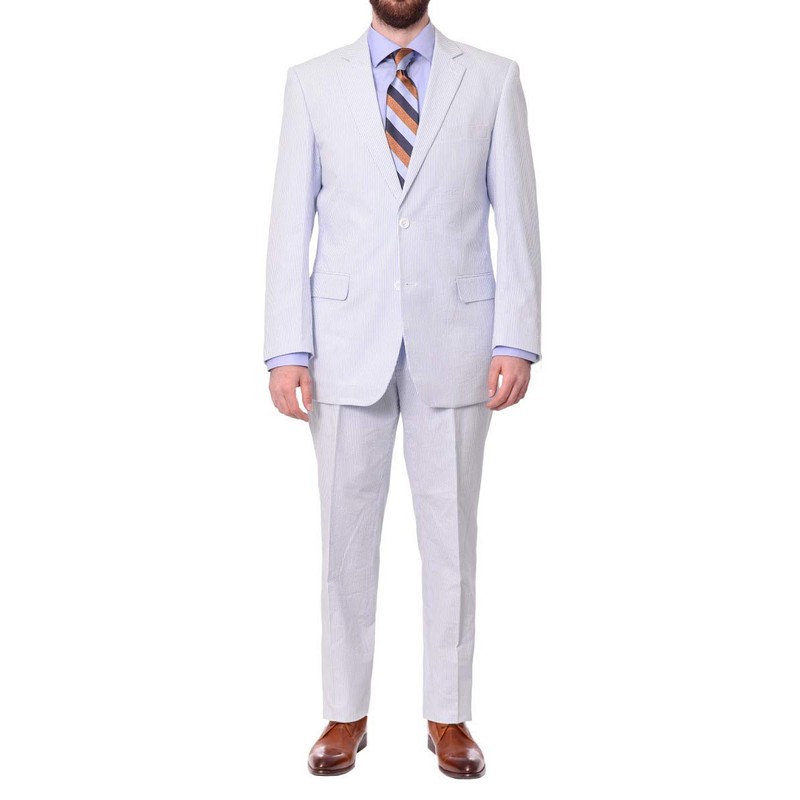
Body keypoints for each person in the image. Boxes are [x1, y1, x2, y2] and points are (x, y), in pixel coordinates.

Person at [263, 0, 541, 779]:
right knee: (342, 542)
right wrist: (286, 347)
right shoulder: (312, 83)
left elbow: (519, 218)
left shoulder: (492, 79)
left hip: (457, 342)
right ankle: (344, 711)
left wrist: (516, 338)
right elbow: (289, 223)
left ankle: (448, 715)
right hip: (343, 344)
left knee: (451, 539)